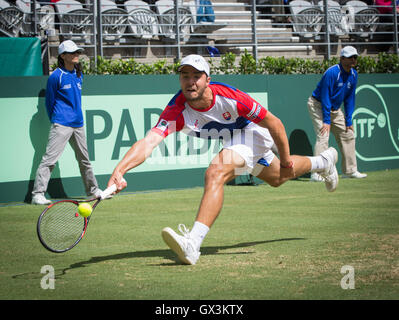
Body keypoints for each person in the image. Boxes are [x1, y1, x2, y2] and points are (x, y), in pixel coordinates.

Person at [107, 54, 339, 265]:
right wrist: (120, 170)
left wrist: (287, 158)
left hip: (253, 133)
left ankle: (192, 244)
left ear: (208, 79)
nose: (190, 82)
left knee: (215, 172)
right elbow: (148, 142)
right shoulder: (177, 109)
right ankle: (324, 161)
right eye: (185, 76)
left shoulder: (230, 98)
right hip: (232, 141)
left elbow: (275, 123)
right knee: (278, 178)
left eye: (197, 76)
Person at [31, 40, 102, 205]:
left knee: (84, 160)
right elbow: (49, 102)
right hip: (61, 124)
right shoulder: (56, 76)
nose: (77, 55)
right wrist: (57, 119)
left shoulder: (78, 74)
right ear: (63, 56)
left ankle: (93, 192)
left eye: (77, 52)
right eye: (73, 52)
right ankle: (37, 194)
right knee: (49, 160)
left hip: (79, 124)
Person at [307, 46, 367, 182]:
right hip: (317, 105)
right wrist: (327, 121)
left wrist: (349, 120)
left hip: (335, 109)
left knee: (348, 134)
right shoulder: (332, 73)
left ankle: (350, 171)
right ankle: (317, 174)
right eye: (350, 57)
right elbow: (325, 96)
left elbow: (350, 99)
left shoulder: (353, 75)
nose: (353, 60)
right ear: (342, 58)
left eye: (355, 57)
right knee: (323, 135)